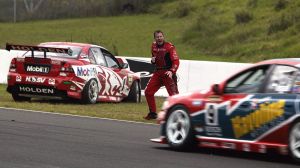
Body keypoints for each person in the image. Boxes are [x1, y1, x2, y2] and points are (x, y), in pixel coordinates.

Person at [144, 30, 180, 120]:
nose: (159, 38)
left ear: (163, 37)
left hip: (168, 73)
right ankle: (152, 113)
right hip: (158, 72)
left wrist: (172, 71)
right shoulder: (153, 46)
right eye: (157, 37)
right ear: (155, 38)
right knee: (148, 92)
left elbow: (176, 61)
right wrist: (153, 61)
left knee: (174, 96)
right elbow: (154, 59)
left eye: (161, 36)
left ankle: (178, 115)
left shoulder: (169, 47)